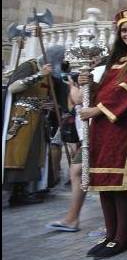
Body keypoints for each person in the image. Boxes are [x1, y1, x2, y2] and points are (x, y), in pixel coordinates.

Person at [78, 1, 127, 259]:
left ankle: (123, 237)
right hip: (104, 128)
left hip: (126, 127)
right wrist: (88, 82)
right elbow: (106, 90)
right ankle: (110, 234)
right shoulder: (115, 60)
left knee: (122, 184)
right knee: (104, 183)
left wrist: (96, 110)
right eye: (124, 31)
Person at [2, 47, 64, 206]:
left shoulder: (50, 73)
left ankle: (23, 191)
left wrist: (48, 103)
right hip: (20, 117)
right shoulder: (29, 66)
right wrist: (39, 75)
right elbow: (13, 88)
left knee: (33, 156)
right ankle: (14, 192)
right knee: (17, 155)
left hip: (39, 118)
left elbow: (45, 94)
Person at [46, 76, 87, 232]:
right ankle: (72, 218)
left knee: (81, 171)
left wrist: (72, 87)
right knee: (77, 171)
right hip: (87, 135)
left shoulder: (97, 71)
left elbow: (79, 99)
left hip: (98, 133)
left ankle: (116, 225)